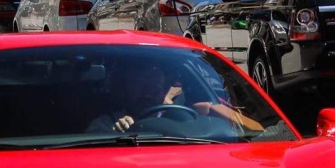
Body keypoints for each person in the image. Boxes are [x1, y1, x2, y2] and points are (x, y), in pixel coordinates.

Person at [88, 63, 264, 133]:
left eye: (153, 84)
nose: (147, 91)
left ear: (165, 88)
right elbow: (90, 143)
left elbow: (258, 132)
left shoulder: (192, 117)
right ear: (125, 88)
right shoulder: (108, 123)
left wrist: (217, 109)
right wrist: (116, 133)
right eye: (138, 84)